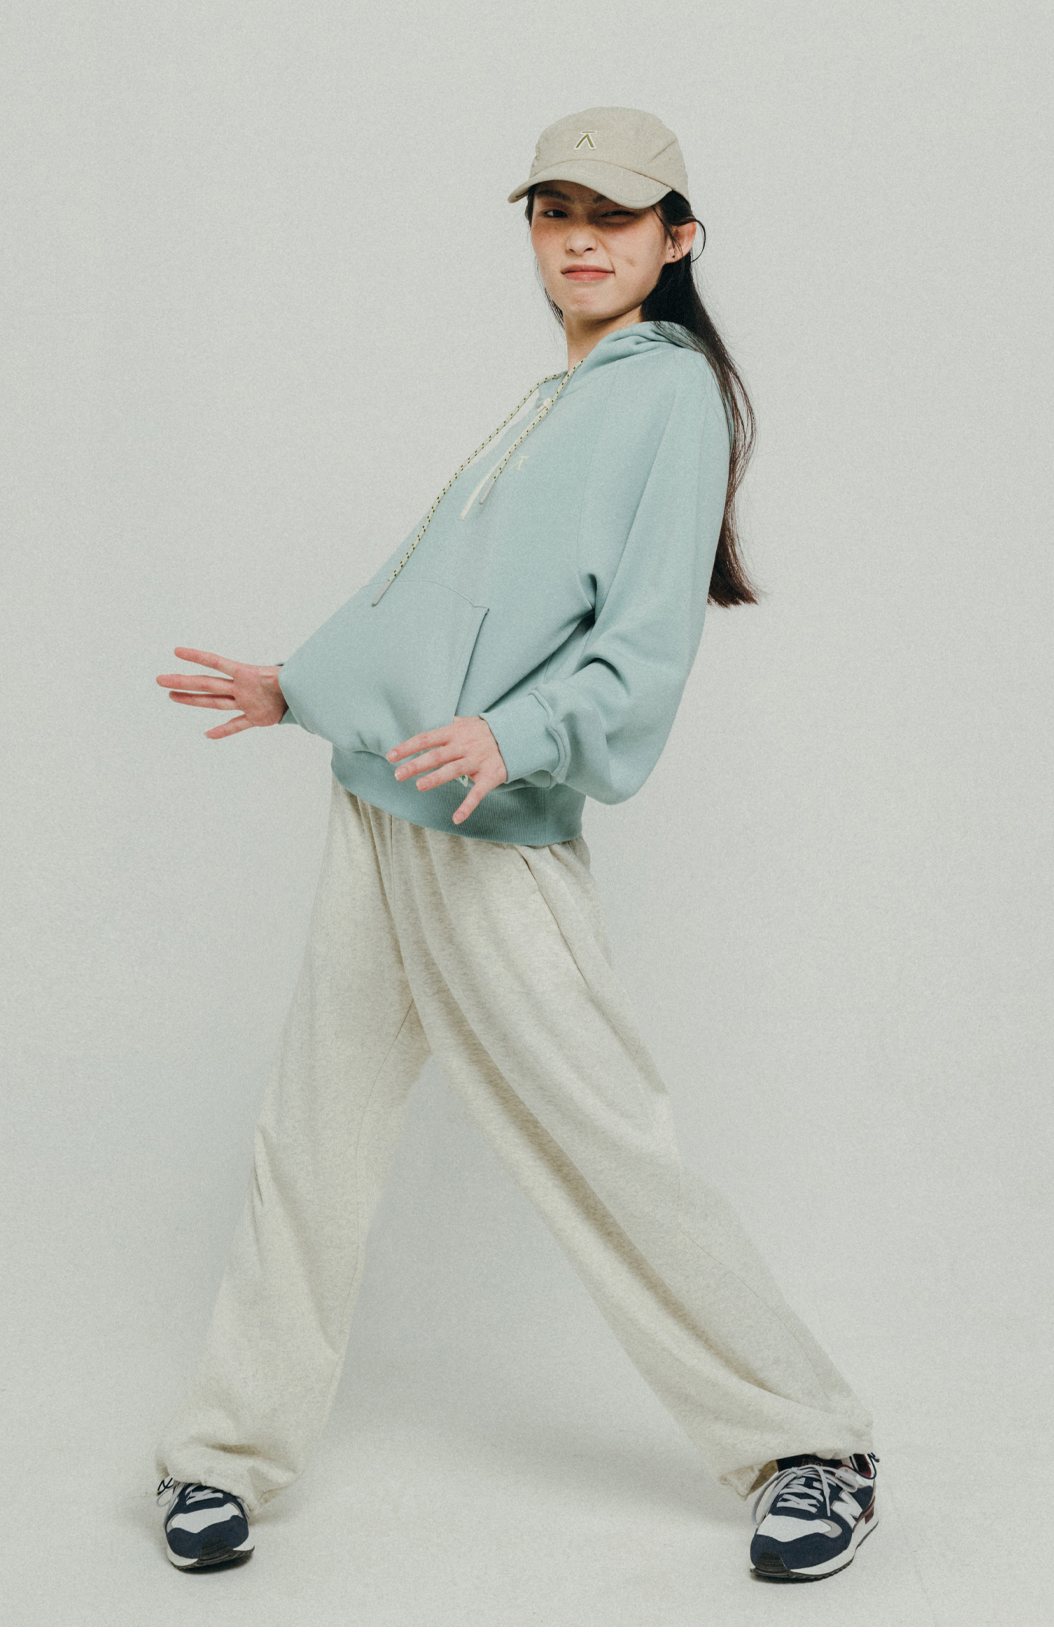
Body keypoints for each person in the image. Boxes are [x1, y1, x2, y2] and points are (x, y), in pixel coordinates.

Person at [153, 106, 879, 1584]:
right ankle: (224, 1453)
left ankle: (813, 1442)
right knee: (314, 1135)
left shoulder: (666, 395)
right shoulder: (566, 392)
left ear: (679, 237)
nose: (581, 240)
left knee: (605, 1143)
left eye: (615, 216)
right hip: (383, 802)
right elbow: (438, 592)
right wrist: (299, 687)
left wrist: (518, 735)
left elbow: (646, 642)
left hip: (488, 823)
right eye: (557, 213)